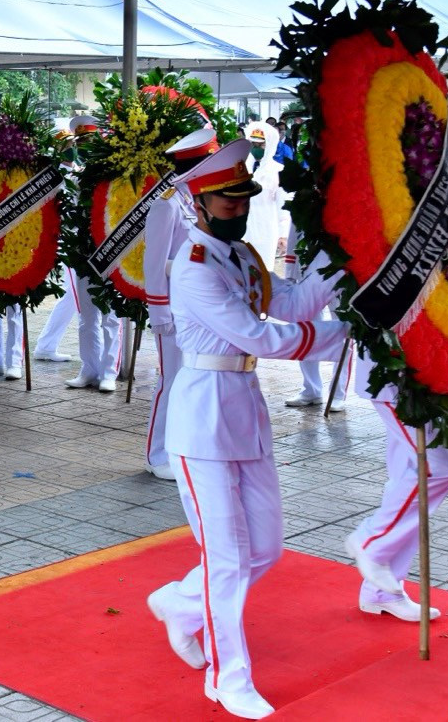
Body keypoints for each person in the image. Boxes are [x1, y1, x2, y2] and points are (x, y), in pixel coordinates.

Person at [145, 139, 348, 720]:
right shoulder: (193, 268)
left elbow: (296, 304)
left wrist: (342, 256)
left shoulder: (243, 258)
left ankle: (182, 604)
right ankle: (227, 676)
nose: (240, 209)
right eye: (228, 202)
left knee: (266, 547)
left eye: (244, 200)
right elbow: (260, 337)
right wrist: (347, 339)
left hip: (244, 413)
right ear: (200, 204)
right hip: (202, 421)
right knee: (229, 558)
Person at [344, 353, 448, 624]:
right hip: (395, 377)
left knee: (404, 480)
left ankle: (382, 591)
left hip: (426, 373)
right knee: (437, 470)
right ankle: (371, 542)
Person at [142, 130, 217, 479]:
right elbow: (154, 264)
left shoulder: (198, 201)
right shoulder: (167, 204)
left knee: (195, 379)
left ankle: (185, 448)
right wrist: (159, 313)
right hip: (172, 308)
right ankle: (157, 455)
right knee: (170, 380)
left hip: (198, 308)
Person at [65, 116, 121, 393]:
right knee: (87, 316)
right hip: (83, 252)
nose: (83, 147)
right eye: (80, 142)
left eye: (88, 142)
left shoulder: (112, 176)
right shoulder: (75, 177)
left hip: (109, 251)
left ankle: (109, 371)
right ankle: (89, 368)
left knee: (110, 316)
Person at [283, 217, 348, 412]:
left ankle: (338, 393)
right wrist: (290, 273)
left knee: (343, 333)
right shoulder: (305, 195)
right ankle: (311, 389)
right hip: (307, 274)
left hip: (341, 275)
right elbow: (295, 234)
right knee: (306, 329)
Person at [33, 119, 79, 364]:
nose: (73, 148)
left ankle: (47, 345)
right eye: (69, 144)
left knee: (74, 297)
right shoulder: (57, 176)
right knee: (74, 295)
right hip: (67, 242)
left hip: (73, 241)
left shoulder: (70, 172)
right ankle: (46, 345)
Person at [242, 119, 288, 271]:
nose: (256, 148)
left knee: (263, 273)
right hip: (241, 229)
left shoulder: (278, 171)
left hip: (266, 229)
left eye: (260, 145)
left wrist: (283, 235)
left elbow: (283, 206)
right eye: (253, 145)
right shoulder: (240, 167)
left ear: (269, 146)